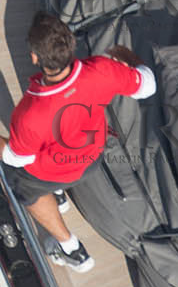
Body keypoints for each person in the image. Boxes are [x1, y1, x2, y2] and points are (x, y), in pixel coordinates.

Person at [1, 14, 157, 273]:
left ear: (35, 58)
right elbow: (147, 85)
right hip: (92, 157)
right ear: (71, 44)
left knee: (19, 180)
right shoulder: (102, 70)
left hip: (53, 171)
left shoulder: (30, 114)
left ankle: (70, 249)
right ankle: (59, 195)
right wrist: (126, 56)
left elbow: (17, 158)